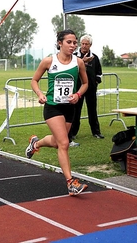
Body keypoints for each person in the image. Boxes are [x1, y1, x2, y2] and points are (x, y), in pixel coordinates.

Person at [25, 29, 89, 196]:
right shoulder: (49, 61)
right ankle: (71, 183)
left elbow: (85, 83)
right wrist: (40, 94)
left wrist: (77, 94)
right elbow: (34, 80)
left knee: (57, 142)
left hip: (69, 107)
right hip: (52, 106)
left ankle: (36, 144)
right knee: (64, 144)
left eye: (75, 42)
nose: (73, 45)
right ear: (60, 43)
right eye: (69, 42)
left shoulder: (79, 62)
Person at [68, 34, 104, 147]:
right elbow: (71, 69)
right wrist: (82, 61)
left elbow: (99, 73)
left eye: (86, 44)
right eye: (82, 44)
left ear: (90, 45)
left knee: (92, 110)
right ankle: (73, 132)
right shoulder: (74, 57)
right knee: (76, 111)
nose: (84, 46)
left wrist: (96, 82)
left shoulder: (95, 58)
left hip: (91, 89)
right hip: (78, 89)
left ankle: (96, 132)